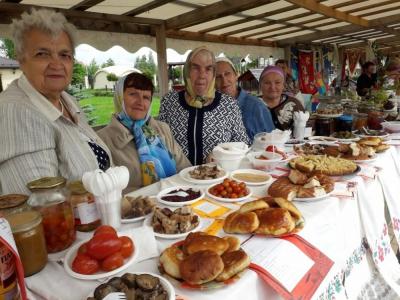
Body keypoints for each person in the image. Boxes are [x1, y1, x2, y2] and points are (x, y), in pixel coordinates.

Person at [0, 9, 111, 194]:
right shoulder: (16, 111)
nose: (57, 64)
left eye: (64, 55)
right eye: (42, 54)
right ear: (21, 59)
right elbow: (42, 206)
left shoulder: (67, 101)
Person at [98, 73, 191, 193]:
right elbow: (105, 193)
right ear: (120, 97)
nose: (140, 102)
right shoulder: (102, 140)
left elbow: (185, 169)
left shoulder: (162, 129)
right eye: (133, 94)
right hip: (137, 209)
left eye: (146, 97)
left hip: (177, 201)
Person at [158, 47, 249, 165]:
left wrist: (222, 152)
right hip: (178, 179)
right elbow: (159, 142)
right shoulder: (170, 102)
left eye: (208, 69)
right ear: (187, 71)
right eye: (195, 68)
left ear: (213, 74)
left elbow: (243, 145)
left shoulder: (229, 105)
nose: (202, 75)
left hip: (217, 179)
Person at [215, 57, 274, 140]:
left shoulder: (257, 107)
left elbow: (272, 143)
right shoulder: (210, 110)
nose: (224, 80)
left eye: (227, 73)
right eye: (218, 77)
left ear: (236, 75)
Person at [260, 66, 304, 131]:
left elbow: (305, 131)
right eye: (267, 83)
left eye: (277, 82)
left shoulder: (295, 105)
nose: (272, 87)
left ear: (283, 85)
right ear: (261, 85)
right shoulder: (252, 105)